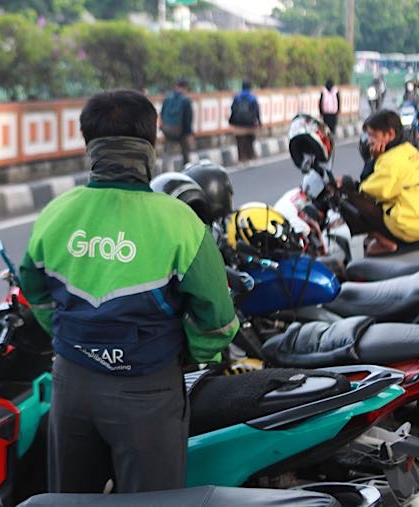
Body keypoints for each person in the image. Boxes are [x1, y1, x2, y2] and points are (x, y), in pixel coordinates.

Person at [19, 90, 238, 494]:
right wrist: (187, 354)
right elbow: (218, 321)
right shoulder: (180, 222)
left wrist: (79, 340)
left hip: (71, 384)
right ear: (151, 145)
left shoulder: (55, 214)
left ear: (89, 145)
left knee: (71, 500)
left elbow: (35, 292)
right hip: (148, 389)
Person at [341, 110, 419, 253]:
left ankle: (387, 242)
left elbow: (368, 190)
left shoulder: (390, 161)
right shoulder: (409, 150)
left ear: (390, 134)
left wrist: (373, 160)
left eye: (373, 135)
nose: (369, 141)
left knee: (352, 201)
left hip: (409, 227)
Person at [160, 79, 195, 166]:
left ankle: (165, 170)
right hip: (181, 131)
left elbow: (162, 113)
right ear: (185, 88)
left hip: (167, 130)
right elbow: (188, 119)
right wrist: (189, 133)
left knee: (167, 152)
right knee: (185, 153)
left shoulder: (167, 98)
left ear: (176, 87)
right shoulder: (186, 101)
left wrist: (163, 126)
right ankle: (186, 169)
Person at [230, 81, 262, 162]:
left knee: (240, 142)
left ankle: (241, 158)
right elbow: (257, 111)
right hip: (250, 123)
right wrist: (259, 121)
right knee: (249, 141)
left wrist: (232, 121)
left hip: (238, 124)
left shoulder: (237, 97)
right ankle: (250, 157)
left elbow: (233, 109)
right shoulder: (252, 98)